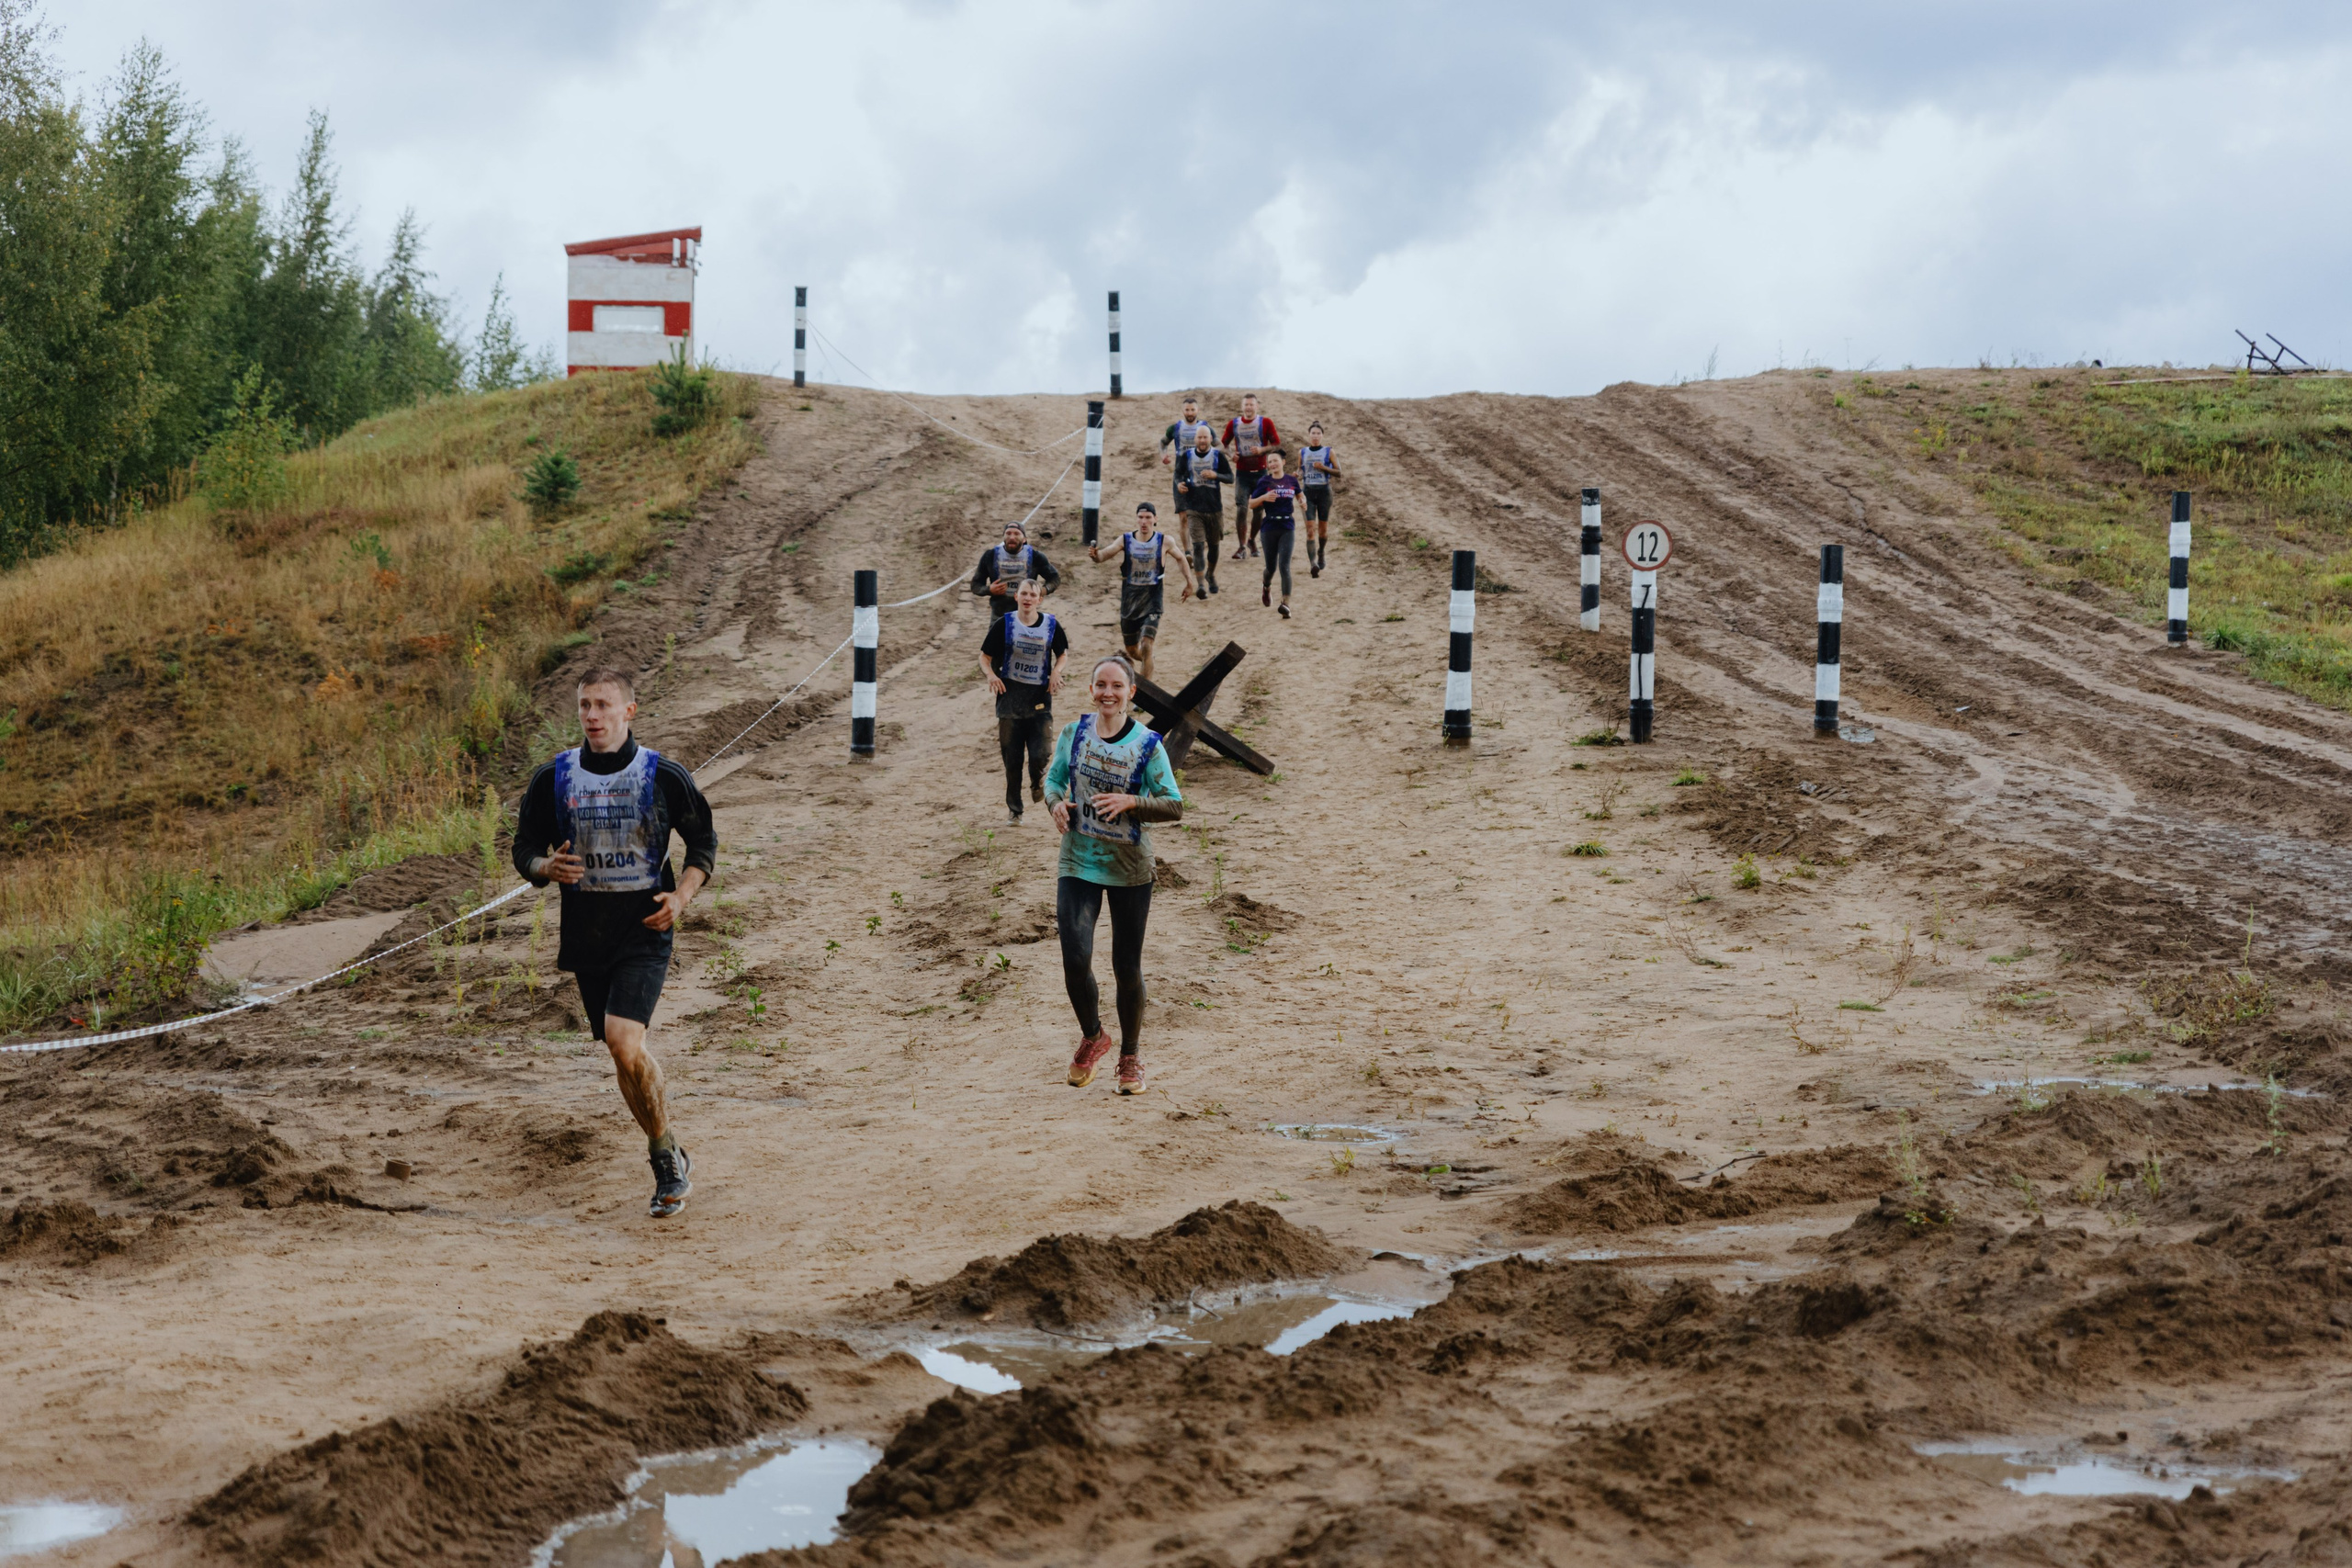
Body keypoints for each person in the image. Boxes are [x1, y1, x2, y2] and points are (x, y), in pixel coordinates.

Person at [514, 669, 717, 1219]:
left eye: (603, 704)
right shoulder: (554, 778)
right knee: (619, 1055)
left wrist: (681, 897)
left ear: (629, 711)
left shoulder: (663, 775)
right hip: (587, 934)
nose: (592, 715)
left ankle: (663, 1163)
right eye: (584, 705)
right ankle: (669, 1144)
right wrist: (543, 866)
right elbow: (523, 847)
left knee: (624, 1040)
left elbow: (702, 840)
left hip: (645, 927)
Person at [1046, 655, 1184, 1094]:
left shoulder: (1148, 744)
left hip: (1130, 869)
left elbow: (1174, 805)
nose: (1108, 693)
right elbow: (1053, 782)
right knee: (1074, 957)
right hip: (1078, 862)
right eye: (1100, 685)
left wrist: (1132, 803)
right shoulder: (1074, 733)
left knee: (1126, 966)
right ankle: (1093, 1036)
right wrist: (1054, 805)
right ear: (1091, 690)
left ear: (1131, 693)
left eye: (1117, 686)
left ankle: (1130, 1057)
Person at [978, 575, 1069, 825]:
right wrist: (991, 676)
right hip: (1009, 699)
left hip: (1040, 699)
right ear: (1016, 597)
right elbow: (984, 657)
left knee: (1042, 753)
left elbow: (1062, 654)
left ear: (1040, 599)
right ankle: (1015, 810)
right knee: (1012, 759)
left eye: (1033, 594)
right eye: (1024, 594)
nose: (1028, 598)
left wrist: (1056, 672)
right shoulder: (1004, 624)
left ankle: (1037, 779)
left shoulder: (1050, 625)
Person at [1086, 501, 1194, 685]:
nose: (1144, 521)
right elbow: (1104, 555)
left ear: (1155, 519)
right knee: (1133, 650)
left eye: (1148, 518)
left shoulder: (1164, 541)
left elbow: (1181, 558)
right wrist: (1095, 555)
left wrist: (1189, 583)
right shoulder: (1125, 540)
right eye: (1141, 517)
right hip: (1130, 601)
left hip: (1153, 600)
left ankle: (1146, 693)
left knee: (1146, 644)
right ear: (1136, 519)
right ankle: (1148, 661)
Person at [1221, 393, 1280, 559]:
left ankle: (1252, 540)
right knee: (1241, 508)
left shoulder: (1265, 422)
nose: (1248, 408)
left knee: (1259, 510)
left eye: (1251, 405)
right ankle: (1241, 547)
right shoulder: (1234, 424)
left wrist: (1261, 450)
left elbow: (1276, 444)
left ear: (1256, 406)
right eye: (1246, 405)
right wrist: (1231, 455)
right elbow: (1223, 444)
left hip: (1261, 472)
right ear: (1242, 407)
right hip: (1242, 473)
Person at [1175, 424, 1232, 594]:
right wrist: (1179, 484)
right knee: (1198, 546)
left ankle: (1211, 574)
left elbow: (1230, 477)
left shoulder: (1217, 456)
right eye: (1199, 438)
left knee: (1214, 547)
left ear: (1210, 439)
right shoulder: (1187, 456)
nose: (1202, 441)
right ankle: (1200, 585)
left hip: (1214, 508)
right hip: (1194, 508)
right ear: (1195, 439)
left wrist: (1217, 475)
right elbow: (1177, 474)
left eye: (1205, 437)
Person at [968, 520, 1060, 621]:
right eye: (1008, 533)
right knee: (995, 637)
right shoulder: (990, 556)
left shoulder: (1036, 557)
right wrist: (989, 590)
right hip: (999, 615)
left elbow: (1055, 578)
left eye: (1017, 534)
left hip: (1027, 614)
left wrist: (1041, 591)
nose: (1012, 537)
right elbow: (975, 585)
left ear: (1024, 539)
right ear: (1003, 537)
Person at [1249, 450, 1304, 618]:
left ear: (1283, 462)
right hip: (1269, 527)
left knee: (1284, 566)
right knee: (1270, 567)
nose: (1272, 464)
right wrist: (1264, 497)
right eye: (1270, 462)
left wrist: (1303, 501)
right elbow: (1251, 503)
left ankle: (1285, 604)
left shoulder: (1291, 480)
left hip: (1287, 526)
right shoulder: (1265, 481)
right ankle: (1266, 586)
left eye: (1275, 461)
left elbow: (1300, 495)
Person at [1298, 421, 1340, 578]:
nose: (1315, 436)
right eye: (1313, 433)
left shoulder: (1329, 451)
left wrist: (1324, 468)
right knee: (1310, 530)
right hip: (1307, 492)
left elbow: (1339, 472)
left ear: (1322, 435)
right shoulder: (1302, 452)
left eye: (1318, 433)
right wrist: (1297, 474)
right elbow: (1301, 470)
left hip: (1324, 492)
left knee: (1323, 530)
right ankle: (1313, 564)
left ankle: (1321, 552)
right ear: (1309, 435)